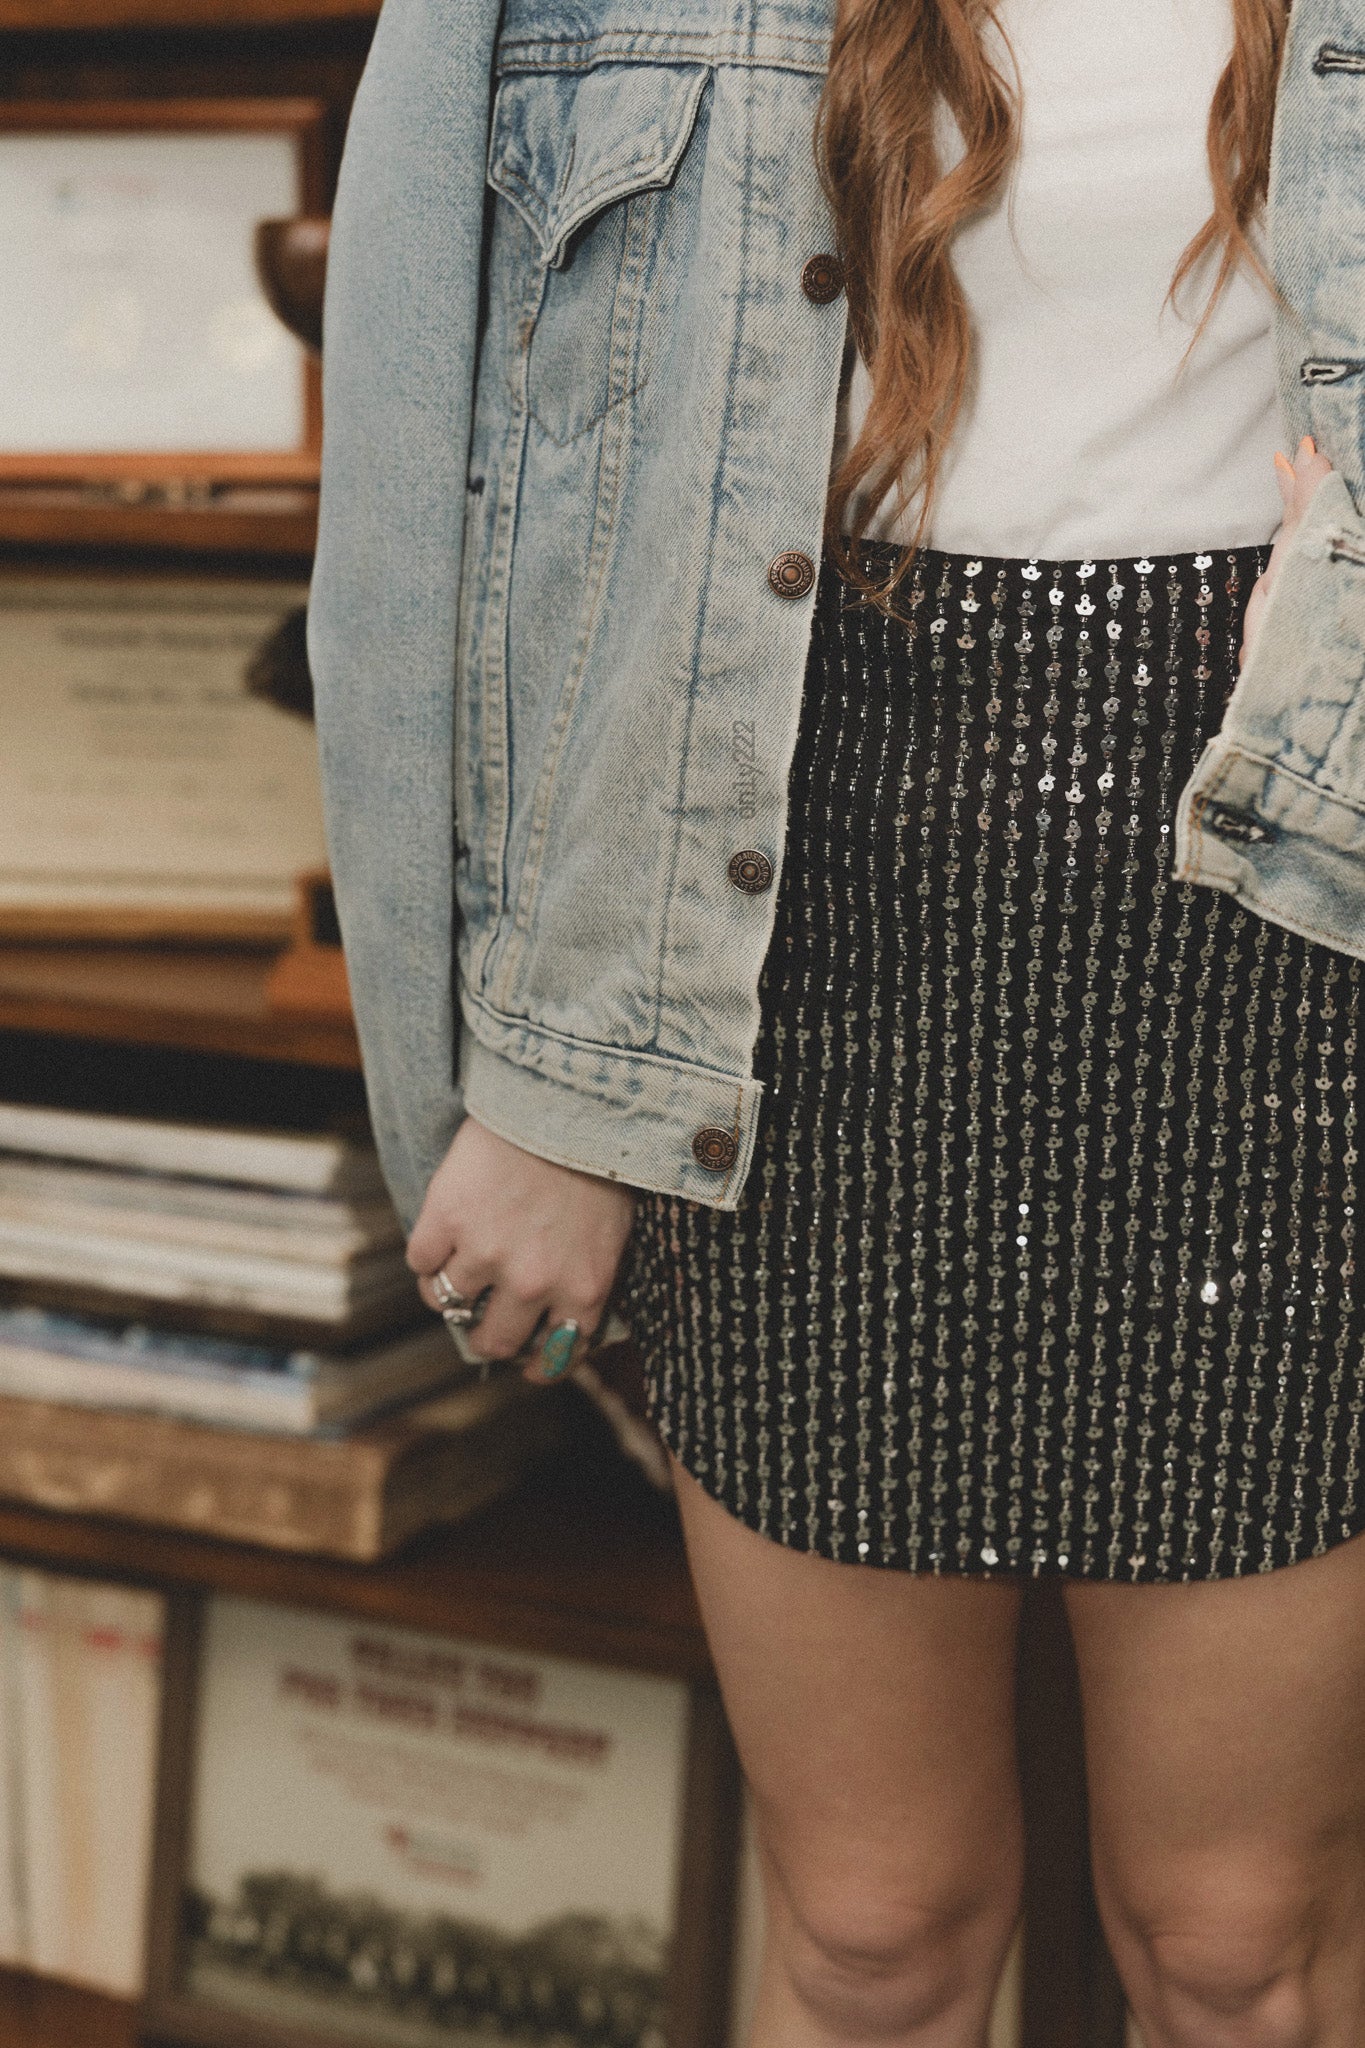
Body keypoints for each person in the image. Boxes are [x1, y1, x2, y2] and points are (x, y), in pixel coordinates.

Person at [308, 0, 1365, 2039]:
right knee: (873, 1927)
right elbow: (412, 496)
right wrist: (524, 1079)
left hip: (1286, 930)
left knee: (1233, 1936)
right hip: (778, 931)